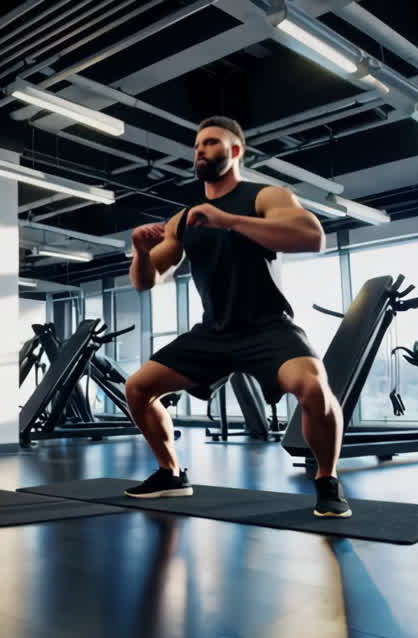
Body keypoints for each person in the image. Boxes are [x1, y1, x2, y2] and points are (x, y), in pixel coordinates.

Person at [121, 116, 350, 518]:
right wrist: (139, 252)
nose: (201, 151)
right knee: (138, 388)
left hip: (267, 325)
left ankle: (327, 480)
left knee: (313, 388)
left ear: (236, 151)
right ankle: (171, 474)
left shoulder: (265, 197)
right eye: (197, 146)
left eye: (211, 143)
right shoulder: (184, 218)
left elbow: (312, 237)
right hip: (214, 331)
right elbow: (146, 281)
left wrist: (228, 221)